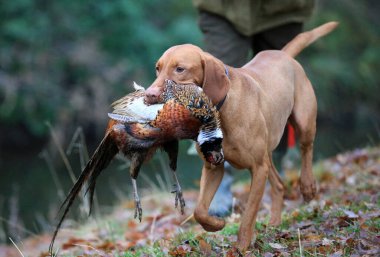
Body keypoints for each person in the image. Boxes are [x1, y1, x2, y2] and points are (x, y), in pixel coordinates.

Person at [191, 0, 315, 217]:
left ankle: (274, 170)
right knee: (217, 83)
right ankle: (219, 176)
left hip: (283, 10)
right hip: (222, 9)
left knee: (276, 93)